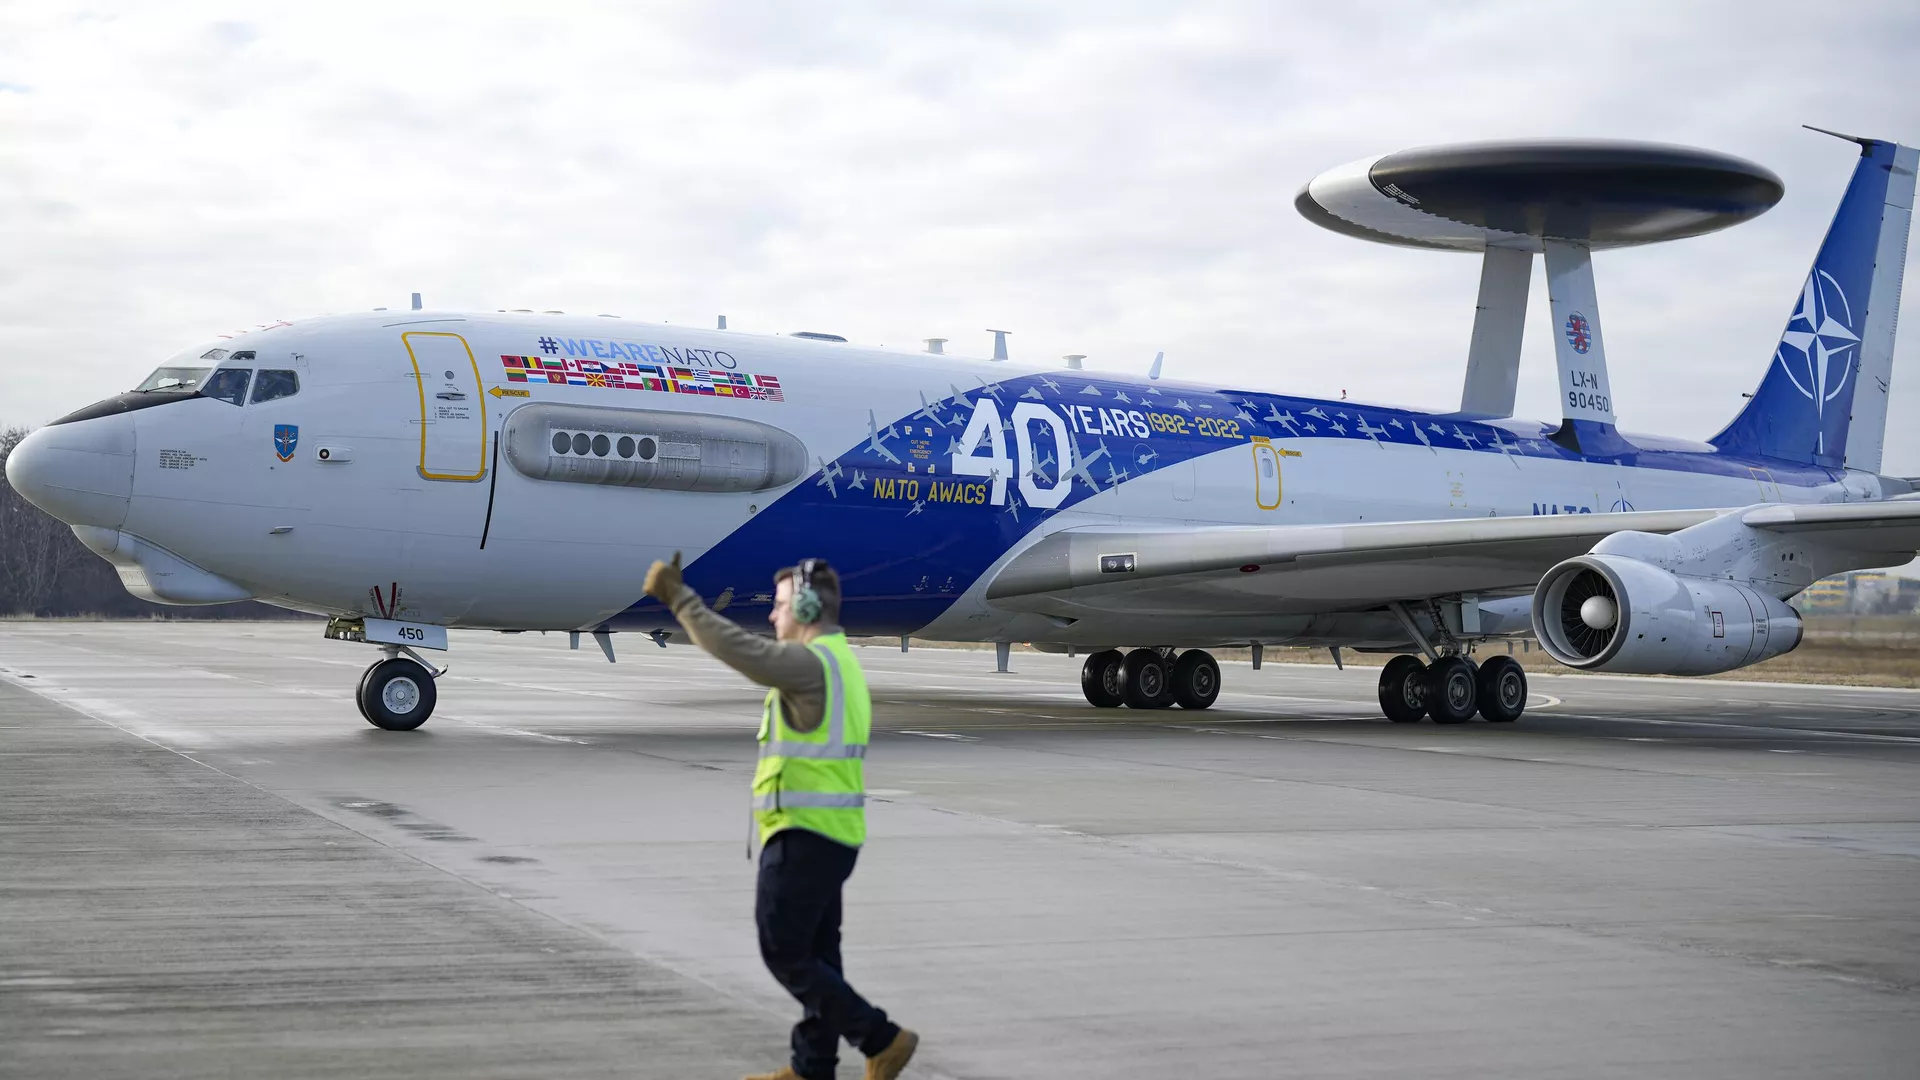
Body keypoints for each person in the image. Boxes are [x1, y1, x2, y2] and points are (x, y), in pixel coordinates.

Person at [643, 553, 919, 1080]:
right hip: (834, 836)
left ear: (809, 607)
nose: (772, 617)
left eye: (780, 606)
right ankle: (812, 1068)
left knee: (784, 952)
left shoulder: (810, 664)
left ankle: (882, 1039)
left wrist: (679, 598)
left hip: (803, 836)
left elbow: (738, 649)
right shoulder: (841, 664)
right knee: (819, 957)